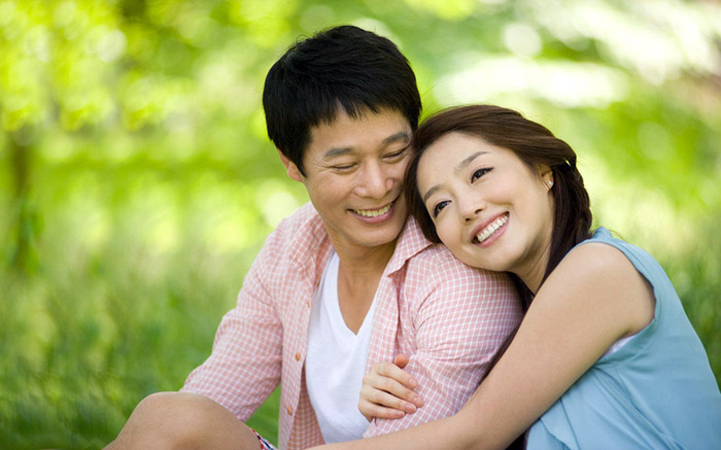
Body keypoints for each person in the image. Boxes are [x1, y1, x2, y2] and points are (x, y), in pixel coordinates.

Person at [104, 30, 522, 450]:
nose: (378, 185)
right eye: (345, 166)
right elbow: (213, 394)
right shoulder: (295, 244)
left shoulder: (458, 273)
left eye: (395, 154)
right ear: (292, 164)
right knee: (167, 416)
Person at [312, 104, 721, 450]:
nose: (468, 207)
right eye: (441, 205)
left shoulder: (599, 270)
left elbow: (475, 436)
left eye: (479, 174)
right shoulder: (521, 318)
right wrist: (390, 392)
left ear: (542, 168)